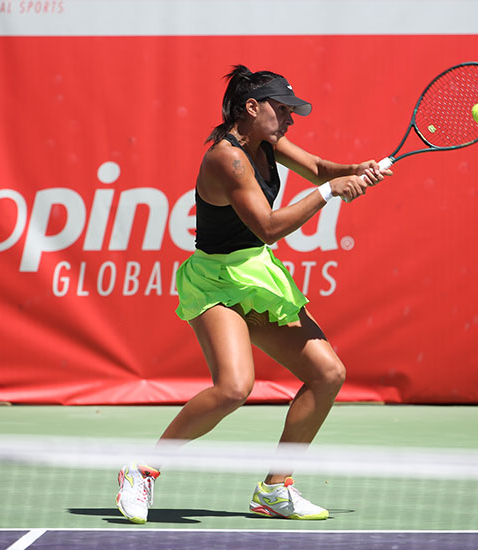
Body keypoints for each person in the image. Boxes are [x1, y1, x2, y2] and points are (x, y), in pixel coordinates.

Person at [115, 65, 392, 524]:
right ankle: (141, 469)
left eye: (291, 112)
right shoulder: (228, 158)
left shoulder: (266, 144)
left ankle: (275, 489)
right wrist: (329, 192)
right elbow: (267, 226)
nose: (289, 119)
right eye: (282, 109)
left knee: (328, 373)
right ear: (252, 107)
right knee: (233, 388)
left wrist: (354, 171)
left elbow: (320, 167)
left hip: (255, 275)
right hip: (215, 281)